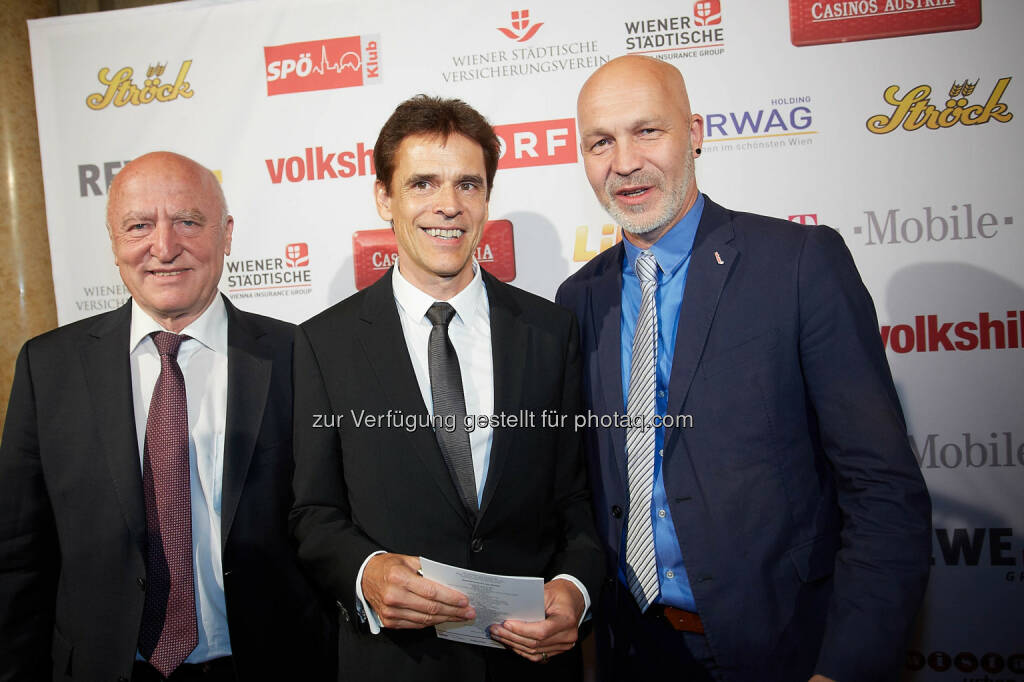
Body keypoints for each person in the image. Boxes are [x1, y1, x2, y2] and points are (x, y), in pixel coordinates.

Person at [555, 55, 931, 682]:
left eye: (648, 131)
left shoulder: (799, 264)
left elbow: (883, 490)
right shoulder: (577, 298)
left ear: (695, 132)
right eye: (601, 141)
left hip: (784, 649)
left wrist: (844, 669)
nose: (624, 161)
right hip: (633, 650)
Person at [290, 95, 604, 682]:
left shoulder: (549, 331)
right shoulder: (322, 345)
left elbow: (577, 501)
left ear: (488, 196)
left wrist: (576, 589)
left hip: (531, 664)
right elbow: (314, 511)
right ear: (384, 196)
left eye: (468, 184)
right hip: (396, 665)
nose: (448, 206)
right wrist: (367, 570)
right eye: (423, 184)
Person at [0, 152, 333, 681]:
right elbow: (19, 555)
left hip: (269, 662)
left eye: (187, 222)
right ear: (113, 243)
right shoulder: (49, 368)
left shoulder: (298, 356)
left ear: (226, 234)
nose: (164, 246)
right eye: (138, 226)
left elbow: (326, 524)